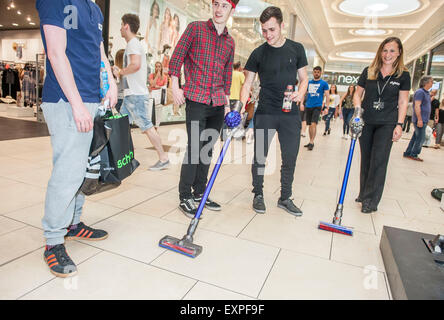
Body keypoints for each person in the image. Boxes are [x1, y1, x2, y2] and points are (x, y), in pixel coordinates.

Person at [36, 0, 118, 278]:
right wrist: (77, 103)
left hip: (92, 98)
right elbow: (56, 54)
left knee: (86, 169)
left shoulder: (94, 8)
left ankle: (73, 224)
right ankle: (53, 241)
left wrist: (110, 82)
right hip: (67, 100)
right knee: (68, 172)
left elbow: (100, 54)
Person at [169, 0, 238, 218]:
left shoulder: (230, 42)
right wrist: (174, 85)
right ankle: (184, 196)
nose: (218, 9)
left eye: (224, 6)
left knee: (207, 149)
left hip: (218, 103)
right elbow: (177, 56)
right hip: (196, 99)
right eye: (216, 4)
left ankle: (200, 192)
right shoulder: (196, 28)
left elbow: (227, 75)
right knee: (194, 148)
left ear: (231, 10)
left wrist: (227, 106)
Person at [239, 6, 308, 216]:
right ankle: (258, 194)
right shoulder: (258, 53)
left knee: (290, 157)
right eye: (264, 30)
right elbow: (247, 83)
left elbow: (304, 79)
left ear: (281, 26)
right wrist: (241, 106)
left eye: (272, 29)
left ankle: (285, 197)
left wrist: (301, 93)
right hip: (266, 111)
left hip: (290, 113)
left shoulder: (296, 49)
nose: (267, 35)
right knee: (260, 155)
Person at [354, 37, 410, 213]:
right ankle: (363, 193)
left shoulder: (403, 75)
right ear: (380, 52)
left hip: (387, 123)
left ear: (399, 52)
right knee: (366, 159)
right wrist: (357, 111)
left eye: (392, 51)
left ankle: (371, 200)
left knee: (379, 161)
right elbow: (357, 95)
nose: (388, 54)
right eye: (385, 50)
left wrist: (399, 125)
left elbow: (403, 101)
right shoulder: (369, 71)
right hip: (367, 121)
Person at [113, 13, 169, 171]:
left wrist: (120, 72)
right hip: (133, 94)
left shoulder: (132, 43)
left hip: (135, 96)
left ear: (126, 26)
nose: (120, 28)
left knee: (147, 126)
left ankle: (163, 158)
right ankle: (125, 156)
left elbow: (135, 65)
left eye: (121, 24)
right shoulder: (135, 44)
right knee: (121, 125)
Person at [403, 75, 433, 161]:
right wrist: (419, 119)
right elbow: (417, 106)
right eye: (431, 81)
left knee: (416, 137)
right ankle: (414, 154)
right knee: (421, 138)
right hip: (420, 120)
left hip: (424, 119)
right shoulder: (420, 92)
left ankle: (408, 153)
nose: (432, 83)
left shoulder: (426, 93)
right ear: (426, 82)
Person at [304, 66, 329, 150]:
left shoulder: (324, 83)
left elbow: (327, 96)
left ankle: (311, 142)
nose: (316, 73)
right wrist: (301, 103)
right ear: (313, 73)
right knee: (309, 125)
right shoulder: (309, 82)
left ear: (320, 73)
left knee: (313, 123)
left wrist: (326, 107)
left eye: (318, 72)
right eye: (315, 72)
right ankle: (310, 141)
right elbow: (305, 93)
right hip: (308, 106)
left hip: (317, 106)